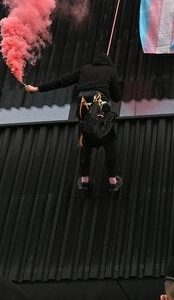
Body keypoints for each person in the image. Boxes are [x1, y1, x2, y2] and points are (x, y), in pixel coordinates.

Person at [23, 50, 123, 193]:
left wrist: (38, 89)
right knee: (109, 141)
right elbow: (117, 97)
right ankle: (112, 180)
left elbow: (61, 81)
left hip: (82, 104)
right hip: (99, 103)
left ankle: (84, 180)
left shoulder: (84, 69)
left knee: (85, 140)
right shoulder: (110, 71)